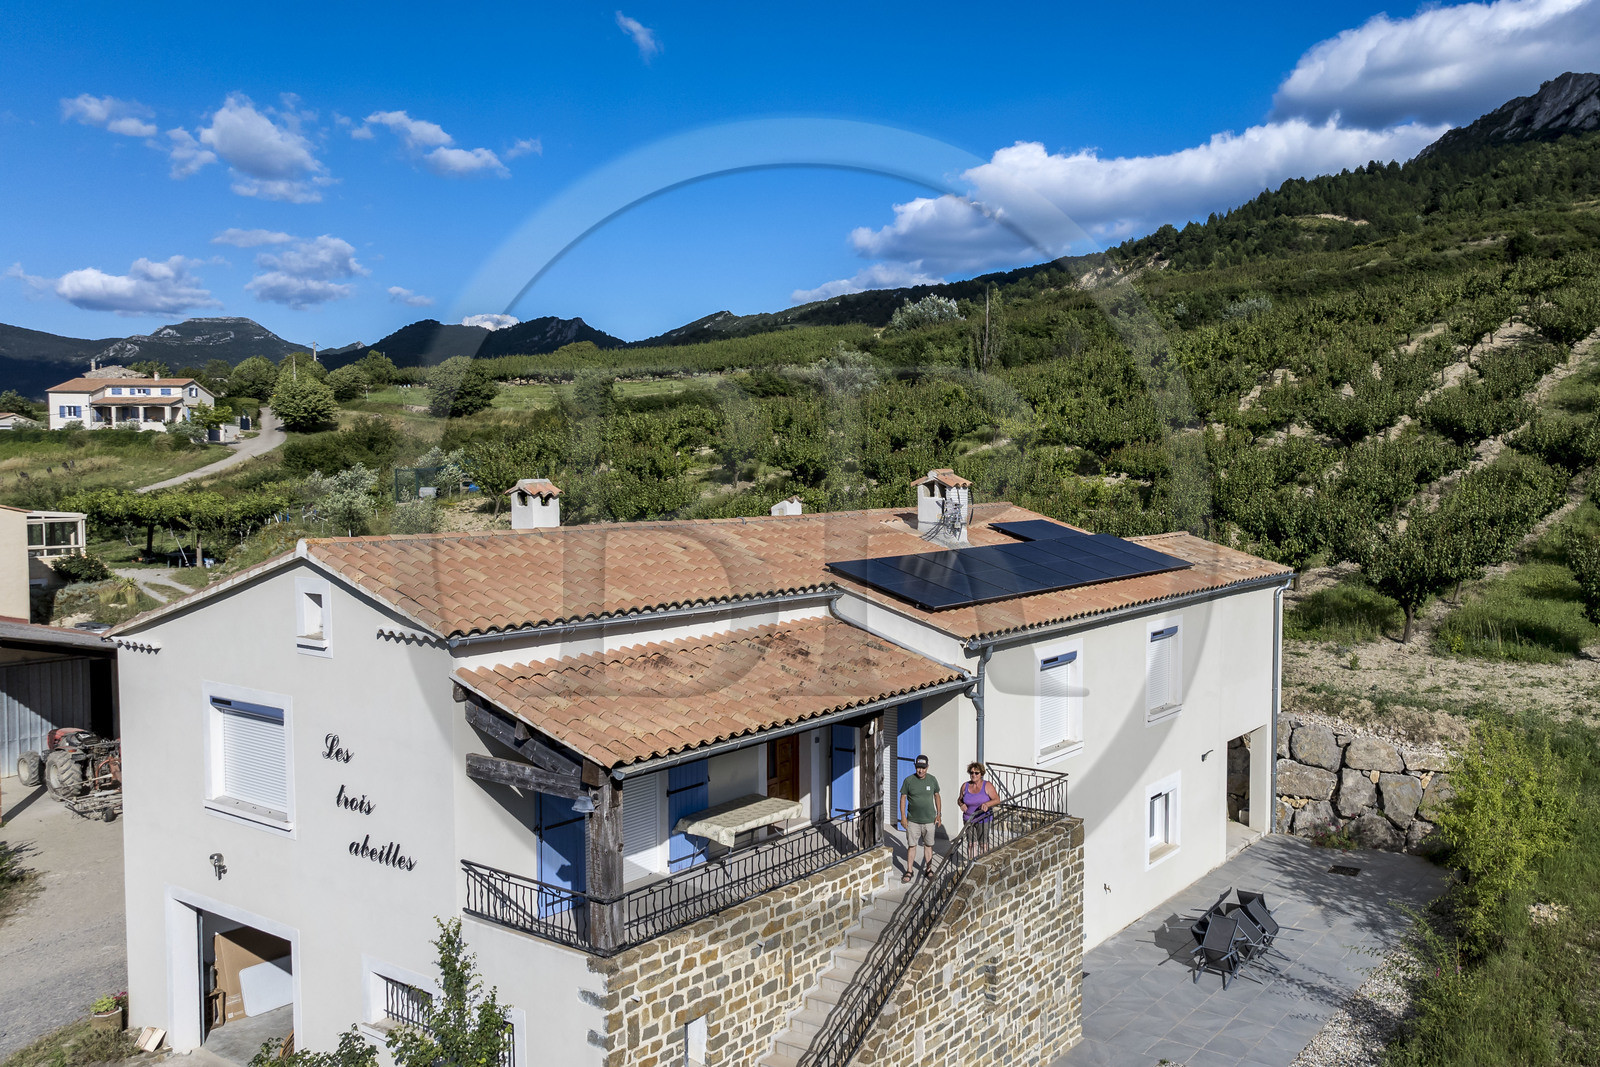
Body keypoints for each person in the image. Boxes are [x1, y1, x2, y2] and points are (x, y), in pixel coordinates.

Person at [898, 754, 941, 882]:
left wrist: (939, 814)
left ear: (927, 767)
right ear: (915, 767)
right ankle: (909, 870)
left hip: (929, 821)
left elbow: (937, 796)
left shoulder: (932, 780)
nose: (920, 770)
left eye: (923, 768)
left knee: (928, 845)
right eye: (918, 767)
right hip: (913, 821)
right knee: (912, 845)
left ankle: (929, 869)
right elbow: (903, 798)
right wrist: (903, 817)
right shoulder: (908, 781)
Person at [959, 762, 1000, 853]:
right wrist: (961, 804)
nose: (973, 775)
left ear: (981, 774)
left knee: (983, 844)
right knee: (971, 844)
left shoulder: (987, 785)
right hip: (968, 818)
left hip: (983, 819)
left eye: (976, 773)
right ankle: (971, 861)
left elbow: (997, 800)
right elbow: (960, 799)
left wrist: (987, 804)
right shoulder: (965, 786)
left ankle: (982, 861)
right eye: (971, 772)